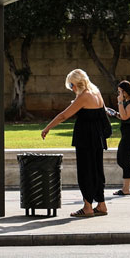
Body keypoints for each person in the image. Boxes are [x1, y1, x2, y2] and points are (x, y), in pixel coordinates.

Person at [42, 68, 108, 218]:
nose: (71, 89)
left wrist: (47, 128)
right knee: (97, 171)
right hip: (97, 138)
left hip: (85, 138)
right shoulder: (96, 92)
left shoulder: (84, 96)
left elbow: (63, 115)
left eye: (71, 85)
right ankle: (101, 204)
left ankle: (87, 207)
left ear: (77, 83)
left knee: (85, 172)